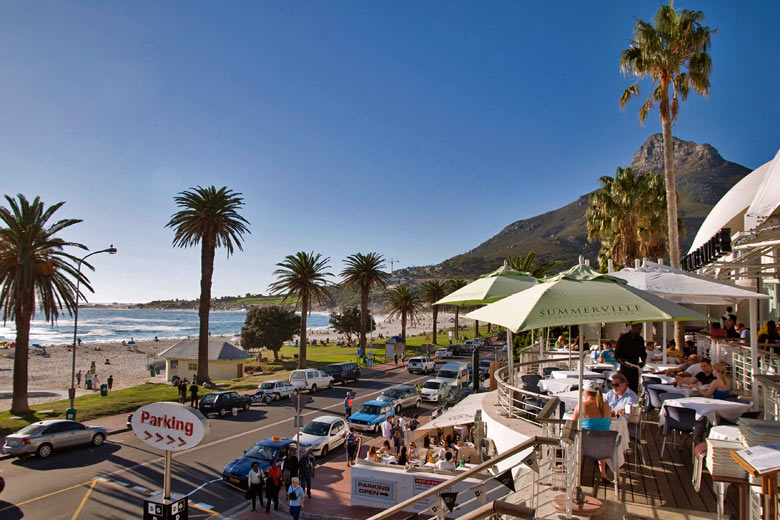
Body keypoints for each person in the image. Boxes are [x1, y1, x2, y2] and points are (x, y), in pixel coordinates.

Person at [572, 380, 612, 483]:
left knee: (573, 435)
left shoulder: (582, 405)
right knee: (600, 435)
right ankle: (603, 473)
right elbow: (609, 421)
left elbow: (572, 422)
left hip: (586, 446)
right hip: (604, 446)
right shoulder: (606, 406)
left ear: (586, 392)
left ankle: (571, 467)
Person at [616, 323, 646, 393]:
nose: (640, 330)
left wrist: (643, 361)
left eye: (641, 328)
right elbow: (617, 355)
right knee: (624, 389)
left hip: (635, 367)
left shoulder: (640, 339)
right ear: (633, 327)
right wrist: (625, 364)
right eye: (638, 328)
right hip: (624, 368)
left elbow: (643, 353)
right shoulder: (623, 338)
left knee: (634, 389)